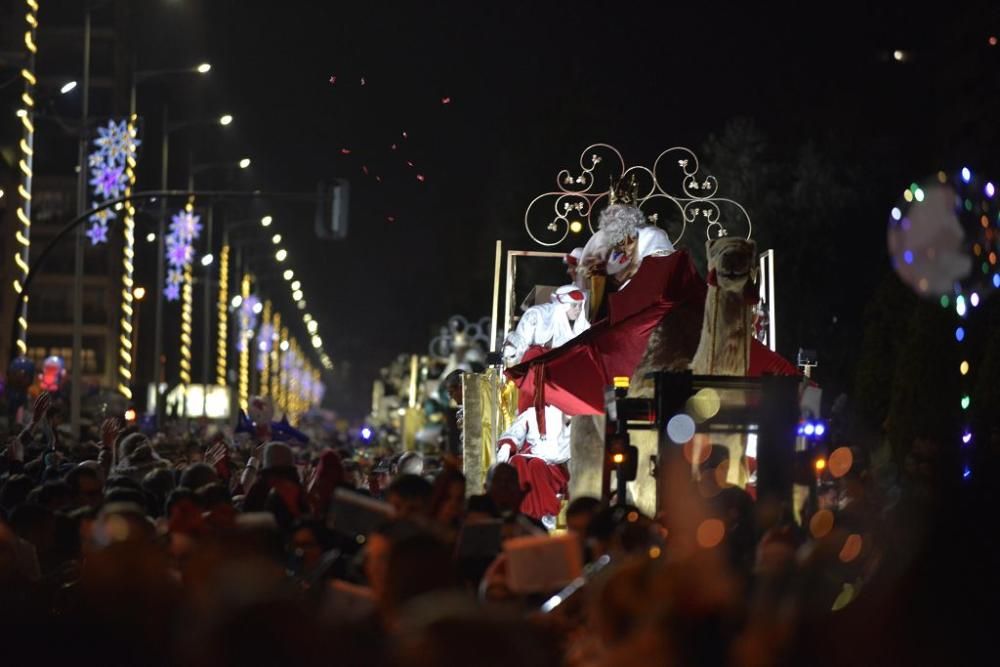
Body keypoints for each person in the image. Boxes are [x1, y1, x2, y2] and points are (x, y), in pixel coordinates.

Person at [495, 405, 571, 529]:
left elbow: (566, 449)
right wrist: (507, 445)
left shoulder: (567, 414)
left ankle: (546, 513)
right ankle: (521, 511)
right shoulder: (531, 413)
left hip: (554, 465)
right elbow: (516, 432)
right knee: (517, 460)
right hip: (532, 455)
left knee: (537, 465)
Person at [502, 285, 589, 367]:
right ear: (564, 306)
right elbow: (517, 347)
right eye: (574, 305)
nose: (578, 309)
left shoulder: (579, 326)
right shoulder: (536, 315)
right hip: (535, 369)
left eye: (580, 305)